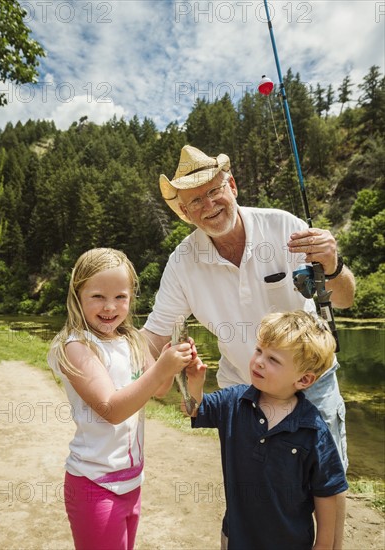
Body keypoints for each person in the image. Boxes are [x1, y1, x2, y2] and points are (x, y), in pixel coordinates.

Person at [142, 145, 355, 547]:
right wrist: (108, 360)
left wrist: (333, 264)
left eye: (213, 191)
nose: (208, 205)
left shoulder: (283, 227)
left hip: (315, 385)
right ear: (186, 213)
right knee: (252, 491)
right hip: (243, 395)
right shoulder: (182, 262)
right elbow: (153, 338)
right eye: (195, 201)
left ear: (233, 185)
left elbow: (343, 299)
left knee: (327, 491)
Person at [48, 248, 192, 550]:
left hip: (132, 481)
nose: (110, 307)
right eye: (98, 296)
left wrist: (174, 360)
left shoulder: (132, 340)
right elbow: (111, 410)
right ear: (77, 296)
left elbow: (160, 389)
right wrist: (161, 369)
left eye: (121, 297)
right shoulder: (75, 346)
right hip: (93, 484)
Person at [185, 310, 349, 550]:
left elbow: (327, 492)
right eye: (259, 350)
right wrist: (194, 381)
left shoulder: (313, 430)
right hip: (235, 539)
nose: (259, 361)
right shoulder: (233, 401)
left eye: (274, 359)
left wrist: (323, 545)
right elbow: (193, 409)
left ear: (304, 380)